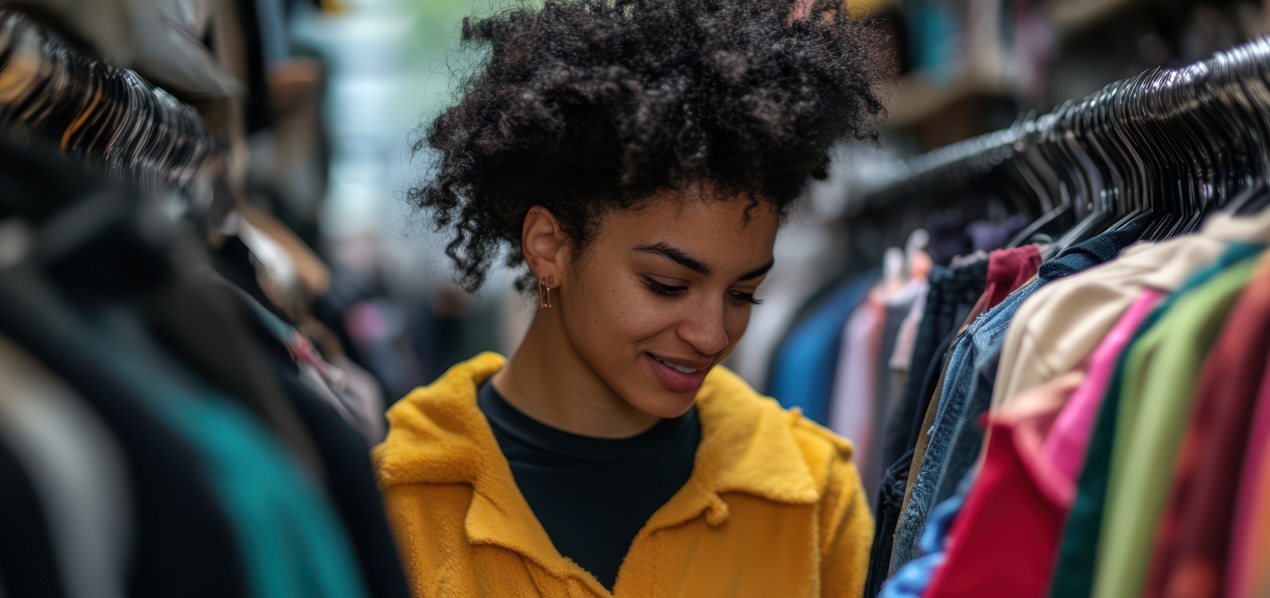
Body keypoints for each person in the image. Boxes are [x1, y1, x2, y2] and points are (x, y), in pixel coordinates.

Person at [373, 0, 892, 595]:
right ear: (549, 247)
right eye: (667, 285)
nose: (712, 335)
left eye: (744, 292)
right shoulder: (399, 501)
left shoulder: (811, 494)